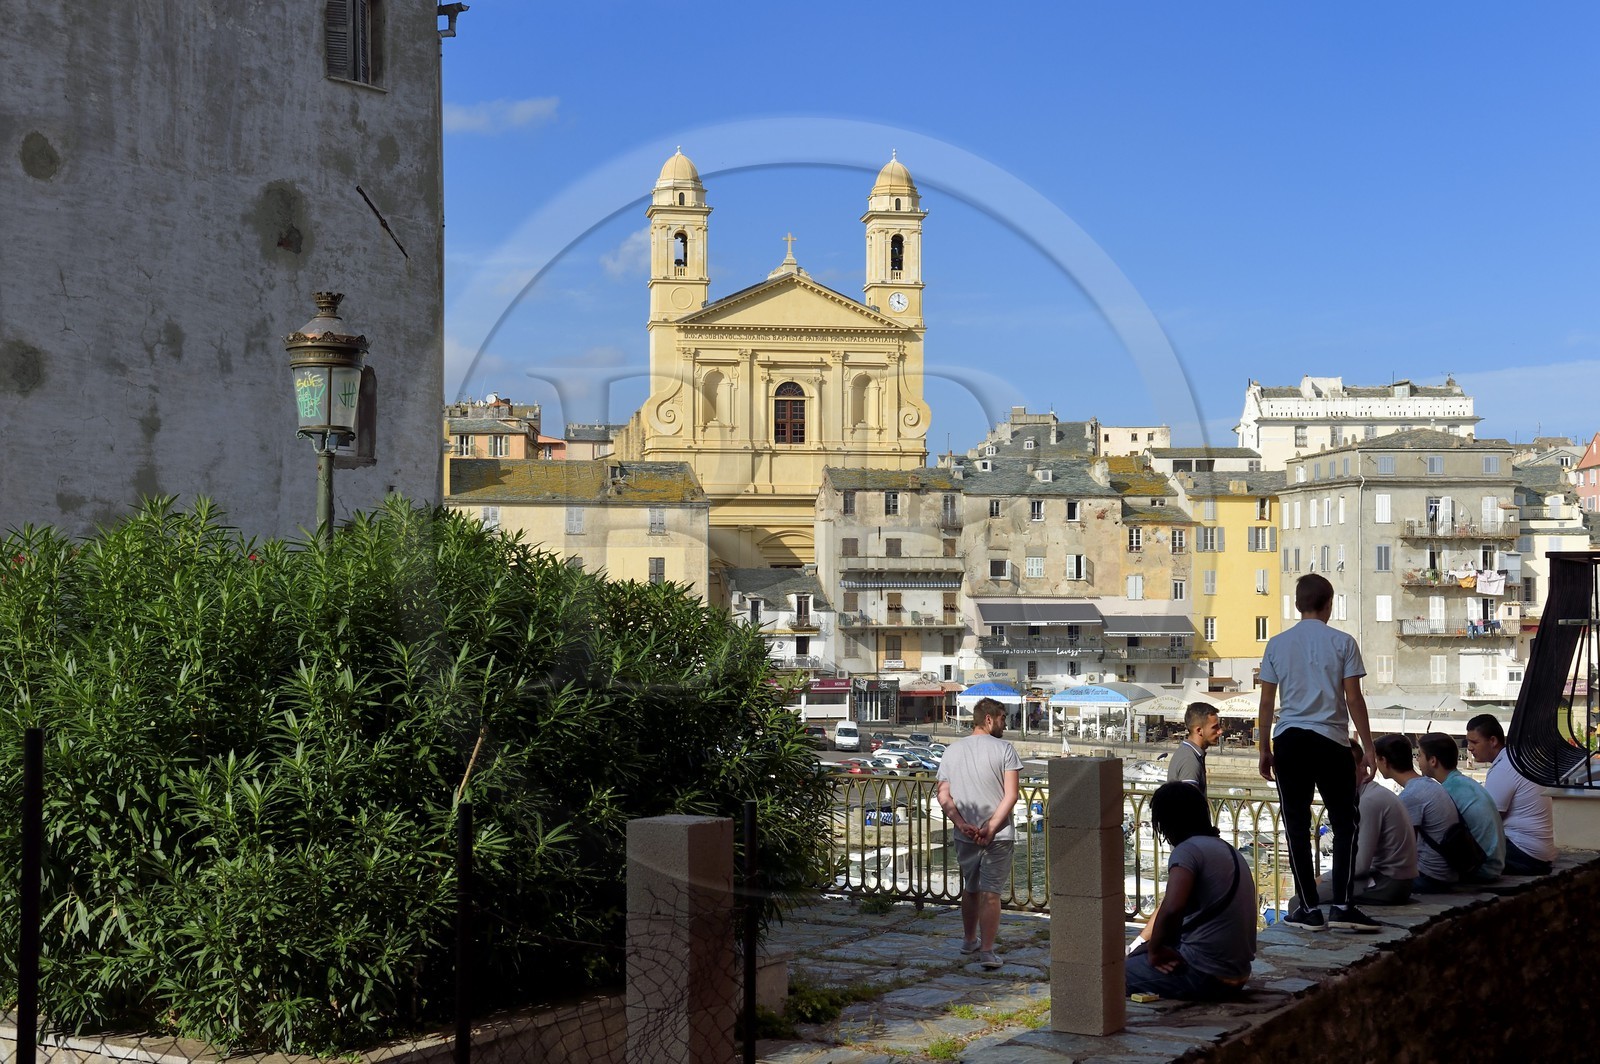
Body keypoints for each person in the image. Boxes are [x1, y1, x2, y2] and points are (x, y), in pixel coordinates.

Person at [1257, 573, 1380, 933]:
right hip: (1331, 740)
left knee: (1295, 825)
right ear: (1329, 604)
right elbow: (1353, 698)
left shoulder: (1277, 644)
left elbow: (1267, 702)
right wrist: (1369, 748)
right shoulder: (1343, 642)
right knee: (1346, 823)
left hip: (1290, 739)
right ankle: (1342, 905)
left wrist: (1264, 749)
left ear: (1297, 605)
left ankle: (1309, 909)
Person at [1125, 783, 1257, 1001]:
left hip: (1205, 975)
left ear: (1167, 823)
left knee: (1110, 976)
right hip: (1237, 974)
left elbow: (1173, 906)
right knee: (1137, 958)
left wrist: (1155, 949)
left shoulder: (1187, 851)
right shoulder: (1227, 849)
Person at [935, 697, 1021, 969]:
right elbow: (1011, 796)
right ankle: (987, 952)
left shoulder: (951, 751)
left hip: (966, 834)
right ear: (989, 719)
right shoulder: (1005, 749)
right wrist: (992, 827)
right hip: (998, 835)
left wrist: (962, 825)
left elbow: (943, 795)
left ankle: (968, 941)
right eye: (1002, 718)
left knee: (971, 889)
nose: (1005, 723)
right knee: (991, 892)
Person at [1319, 740, 1416, 905]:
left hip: (1386, 884)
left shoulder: (1368, 801)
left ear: (1362, 768)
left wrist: (1321, 879)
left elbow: (1359, 867)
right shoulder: (1371, 794)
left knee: (1299, 902)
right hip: (1394, 881)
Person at [1467, 714, 1556, 875]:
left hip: (1524, 852)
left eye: (1474, 742)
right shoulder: (1514, 758)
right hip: (1539, 852)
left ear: (1493, 741)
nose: (1469, 748)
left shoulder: (1504, 767)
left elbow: (1489, 820)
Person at [1373, 734, 1461, 893]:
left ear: (1384, 761)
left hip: (1431, 877)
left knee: (1362, 885)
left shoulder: (1411, 796)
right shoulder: (1428, 785)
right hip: (1448, 873)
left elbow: (1402, 850)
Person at [1417, 732, 1506, 880]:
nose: (1417, 760)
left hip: (1481, 869)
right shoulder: (1464, 784)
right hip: (1493, 864)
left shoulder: (1448, 792)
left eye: (1419, 755)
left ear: (1433, 761)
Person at [1168, 703, 1223, 794]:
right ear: (1199, 730)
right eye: (1214, 727)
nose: (1220, 731)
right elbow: (1190, 803)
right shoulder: (1190, 760)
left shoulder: (1187, 752)